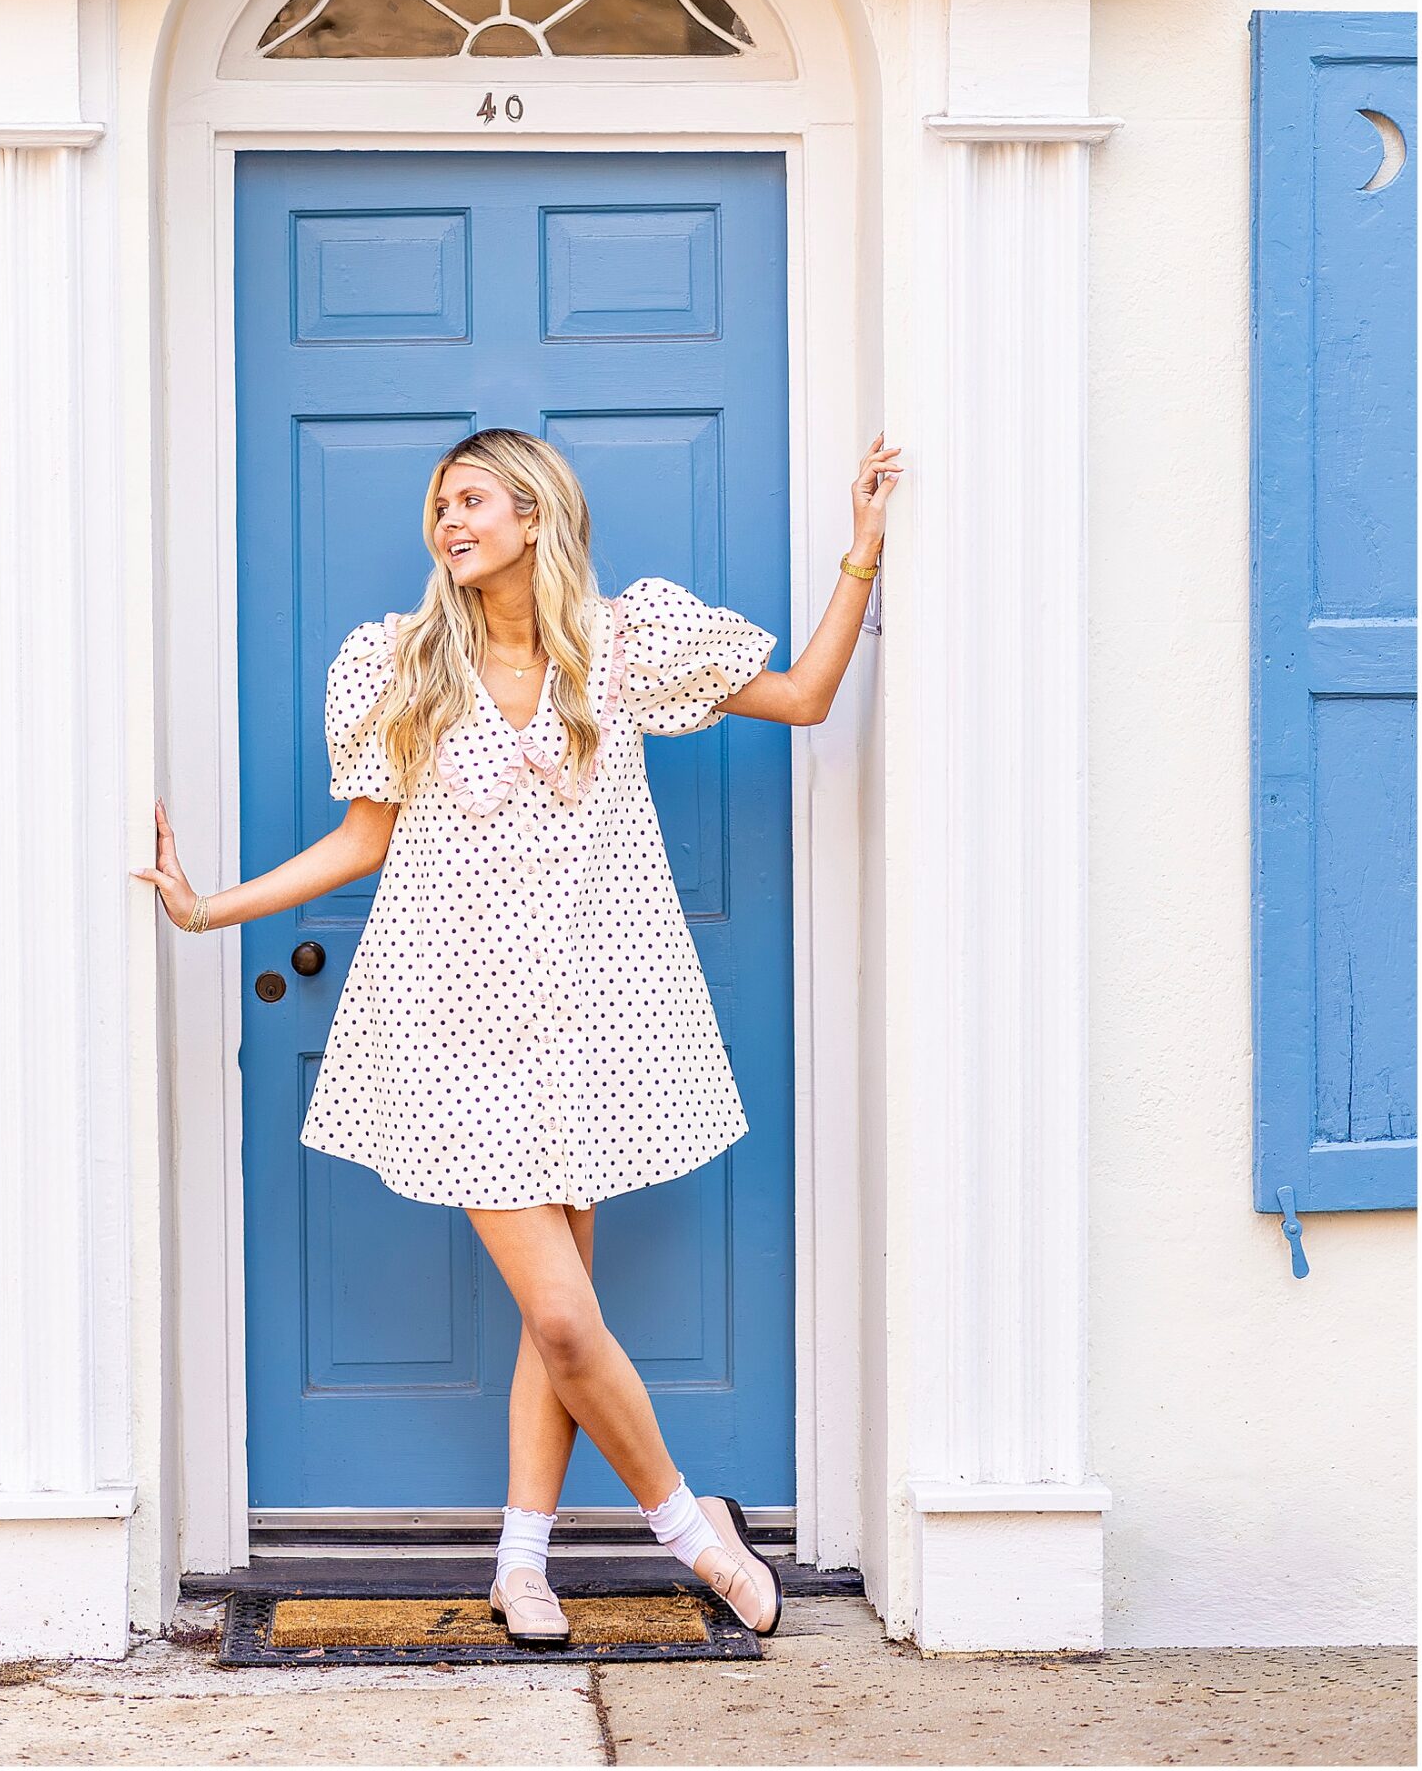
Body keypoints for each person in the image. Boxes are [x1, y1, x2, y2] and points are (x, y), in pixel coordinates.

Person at [134, 425, 901, 1647]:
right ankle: (689, 1525)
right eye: (440, 503)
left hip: (590, 1024)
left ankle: (522, 1558)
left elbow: (803, 700)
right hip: (453, 1027)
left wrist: (859, 557)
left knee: (565, 1314)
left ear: (534, 516)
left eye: (474, 499)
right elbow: (362, 842)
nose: (450, 520)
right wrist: (205, 907)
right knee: (557, 1313)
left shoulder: (619, 647)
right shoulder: (396, 662)